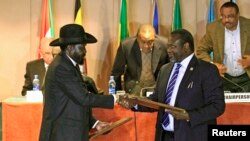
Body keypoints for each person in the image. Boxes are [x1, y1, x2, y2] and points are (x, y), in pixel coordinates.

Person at [119, 29, 225, 141]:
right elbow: (156, 101)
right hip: (165, 136)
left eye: (172, 46)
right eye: (168, 46)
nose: (168, 50)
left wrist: (189, 115)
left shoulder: (206, 70)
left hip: (192, 135)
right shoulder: (165, 69)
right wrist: (135, 103)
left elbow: (217, 106)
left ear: (186, 46)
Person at [39, 24, 118, 141]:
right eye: (82, 48)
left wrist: (95, 123)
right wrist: (116, 99)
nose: (85, 51)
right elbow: (83, 98)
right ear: (70, 48)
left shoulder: (69, 64)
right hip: (62, 135)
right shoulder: (61, 67)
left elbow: (74, 103)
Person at [196, 2, 250, 92]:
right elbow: (201, 51)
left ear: (238, 15)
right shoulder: (213, 28)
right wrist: (213, 66)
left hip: (247, 78)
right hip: (224, 79)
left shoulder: (248, 26)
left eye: (230, 16)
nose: (226, 20)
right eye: (223, 16)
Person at [111, 24, 169, 96]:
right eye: (143, 41)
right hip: (134, 88)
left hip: (156, 87)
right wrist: (115, 95)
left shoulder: (164, 44)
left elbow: (170, 69)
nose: (146, 46)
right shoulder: (126, 46)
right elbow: (116, 73)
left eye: (150, 42)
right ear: (137, 38)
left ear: (154, 38)